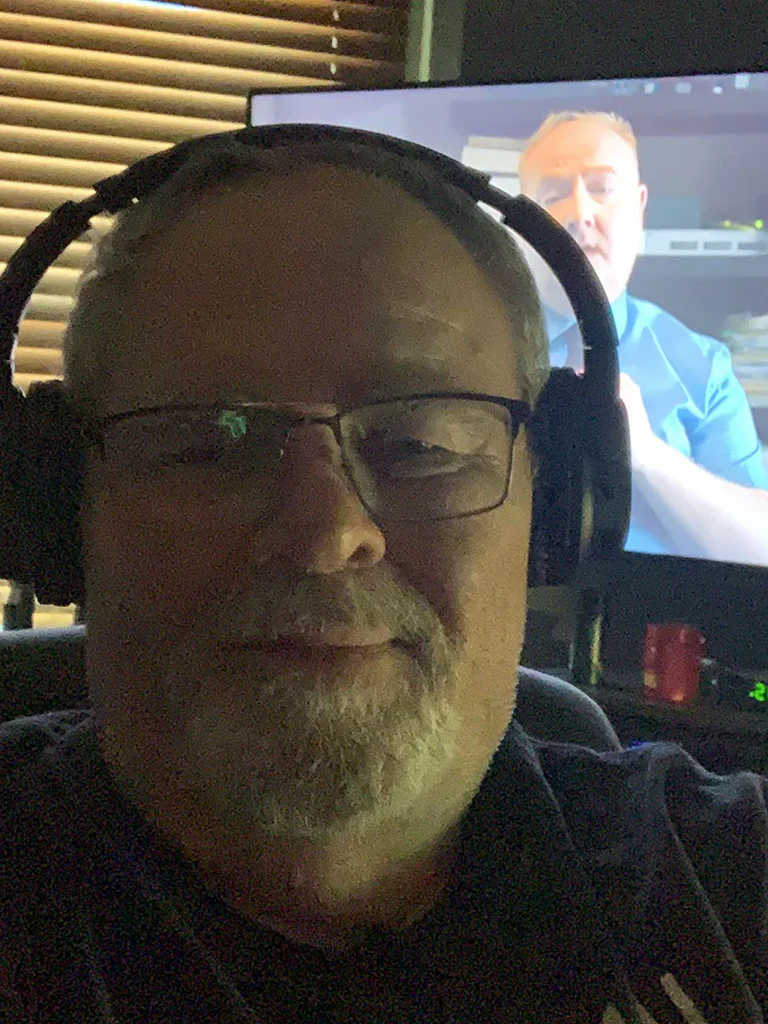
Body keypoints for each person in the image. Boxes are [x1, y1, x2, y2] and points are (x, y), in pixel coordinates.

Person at [0, 134, 766, 1024]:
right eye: (206, 444)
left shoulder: (722, 876)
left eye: (422, 445)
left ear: (560, 506)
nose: (326, 535)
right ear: (58, 508)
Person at [519, 111, 768, 565]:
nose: (580, 212)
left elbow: (761, 546)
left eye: (602, 188)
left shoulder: (703, 367)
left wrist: (650, 457)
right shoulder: (469, 348)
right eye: (553, 195)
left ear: (639, 208)